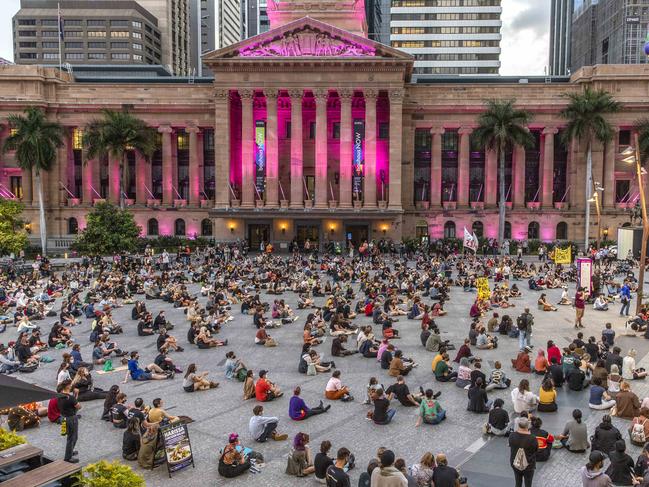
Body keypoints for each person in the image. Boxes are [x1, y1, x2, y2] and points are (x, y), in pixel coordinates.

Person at [508, 417, 538, 487]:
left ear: (519, 425)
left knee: (518, 482)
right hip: (528, 465)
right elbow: (536, 450)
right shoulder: (532, 438)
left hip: (515, 463)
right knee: (528, 483)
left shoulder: (512, 435)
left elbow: (510, 444)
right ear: (528, 425)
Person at [58, 379, 81, 463]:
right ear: (68, 386)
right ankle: (68, 457)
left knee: (70, 437)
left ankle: (70, 452)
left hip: (63, 417)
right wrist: (76, 394)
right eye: (70, 385)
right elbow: (79, 406)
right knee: (72, 438)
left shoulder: (59, 395)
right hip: (71, 418)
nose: (71, 386)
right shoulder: (70, 398)